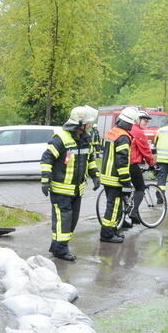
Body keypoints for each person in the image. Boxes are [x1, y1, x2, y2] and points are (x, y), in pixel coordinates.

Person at [40, 105, 101, 261]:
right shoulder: (60, 139)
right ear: (80, 124)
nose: (89, 126)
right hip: (61, 190)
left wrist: (95, 175)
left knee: (71, 222)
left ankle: (57, 245)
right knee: (63, 220)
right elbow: (47, 159)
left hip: (76, 190)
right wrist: (46, 180)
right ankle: (61, 250)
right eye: (87, 123)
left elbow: (91, 160)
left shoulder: (86, 139)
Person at [98, 106, 139, 243]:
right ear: (130, 123)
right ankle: (107, 234)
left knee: (113, 205)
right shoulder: (123, 137)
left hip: (107, 175)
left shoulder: (113, 132)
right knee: (114, 207)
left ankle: (113, 230)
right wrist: (126, 180)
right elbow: (121, 161)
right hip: (115, 178)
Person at [123, 110, 156, 228]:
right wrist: (151, 163)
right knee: (140, 187)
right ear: (137, 119)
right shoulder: (137, 131)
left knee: (123, 191)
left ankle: (121, 219)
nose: (146, 123)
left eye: (147, 121)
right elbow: (146, 150)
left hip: (121, 164)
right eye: (144, 120)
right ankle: (133, 212)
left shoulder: (126, 128)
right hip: (132, 164)